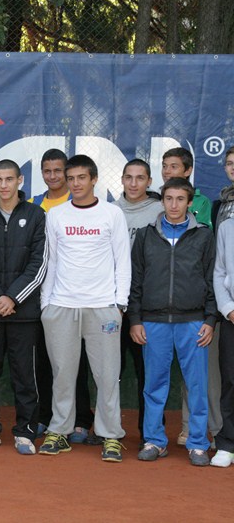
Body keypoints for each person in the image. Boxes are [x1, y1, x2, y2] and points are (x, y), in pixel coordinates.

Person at [38, 154, 130, 462]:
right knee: (63, 374)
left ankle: (111, 436)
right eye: (71, 178)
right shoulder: (56, 215)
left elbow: (122, 261)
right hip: (61, 307)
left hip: (103, 307)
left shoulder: (112, 214)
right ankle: (59, 431)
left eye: (81, 178)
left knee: (107, 376)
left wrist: (119, 304)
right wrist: (47, 305)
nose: (75, 183)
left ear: (94, 179)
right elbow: (50, 262)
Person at [130, 178, 215, 466]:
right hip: (154, 322)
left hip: (193, 322)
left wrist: (210, 320)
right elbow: (136, 281)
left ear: (190, 203)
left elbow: (211, 280)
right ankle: (155, 440)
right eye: (169, 199)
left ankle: (198, 443)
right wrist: (135, 320)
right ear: (162, 201)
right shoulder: (145, 235)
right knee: (154, 385)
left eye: (180, 199)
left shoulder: (203, 236)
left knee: (197, 385)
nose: (174, 205)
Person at [0, 160, 46, 455]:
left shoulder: (36, 215)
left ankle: (25, 432)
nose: (4, 185)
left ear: (19, 180)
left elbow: (39, 265)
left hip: (23, 314)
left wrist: (13, 298)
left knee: (25, 376)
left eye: (9, 179)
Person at [29, 149, 94, 444]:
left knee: (76, 364)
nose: (53, 176)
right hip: (45, 296)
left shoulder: (79, 203)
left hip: (79, 297)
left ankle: (81, 420)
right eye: (48, 171)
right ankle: (46, 416)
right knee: (46, 361)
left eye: (58, 171)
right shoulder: (34, 206)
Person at [161, 146, 221, 445]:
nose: (167, 171)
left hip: (196, 306)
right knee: (160, 378)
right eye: (164, 166)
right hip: (160, 308)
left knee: (200, 376)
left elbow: (201, 246)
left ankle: (207, 430)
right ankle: (169, 432)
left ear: (188, 171)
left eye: (173, 166)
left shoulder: (205, 204)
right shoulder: (156, 204)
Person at [112, 159, 163, 446]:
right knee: (110, 372)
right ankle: (108, 430)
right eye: (129, 177)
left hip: (146, 306)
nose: (133, 183)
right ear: (121, 179)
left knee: (148, 372)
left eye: (140, 178)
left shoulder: (159, 211)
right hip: (113, 304)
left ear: (149, 181)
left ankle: (150, 432)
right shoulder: (110, 211)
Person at [213, 203, 234, 467]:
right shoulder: (227, 227)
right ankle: (228, 443)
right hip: (232, 317)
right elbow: (219, 273)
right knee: (230, 380)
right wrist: (228, 309)